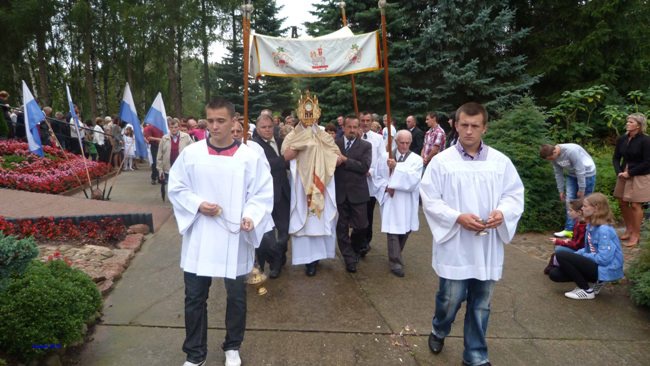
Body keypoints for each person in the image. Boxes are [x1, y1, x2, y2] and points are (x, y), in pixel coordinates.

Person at [168, 97, 274, 366]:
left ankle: (232, 346)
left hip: (234, 237)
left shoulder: (249, 158)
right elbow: (177, 187)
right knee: (194, 298)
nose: (214, 127)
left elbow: (261, 193)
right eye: (210, 121)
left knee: (236, 297)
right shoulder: (191, 154)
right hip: (200, 237)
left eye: (220, 121)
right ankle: (195, 354)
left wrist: (250, 216)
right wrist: (197, 204)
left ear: (234, 122)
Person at [420, 102, 524, 366]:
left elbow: (514, 194)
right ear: (455, 125)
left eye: (475, 126)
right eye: (463, 125)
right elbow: (430, 199)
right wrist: (457, 217)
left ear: (484, 128)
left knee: (481, 304)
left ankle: (475, 355)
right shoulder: (442, 162)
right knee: (450, 299)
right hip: (455, 244)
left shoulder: (500, 162)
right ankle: (439, 328)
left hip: (487, 246)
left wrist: (502, 212)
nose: (468, 131)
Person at [281, 91, 340, 276]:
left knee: (319, 220)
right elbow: (285, 156)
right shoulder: (292, 135)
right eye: (305, 114)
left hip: (321, 182)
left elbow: (337, 156)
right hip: (300, 184)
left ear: (316, 113)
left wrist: (326, 157)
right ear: (300, 113)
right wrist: (300, 145)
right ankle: (306, 260)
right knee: (305, 221)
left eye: (311, 114)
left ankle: (318, 257)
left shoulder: (322, 134)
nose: (308, 118)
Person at [548, 193, 624, 300]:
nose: (582, 208)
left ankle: (587, 290)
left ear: (596, 208)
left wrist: (582, 257)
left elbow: (604, 259)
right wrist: (576, 256)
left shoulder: (604, 230)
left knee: (561, 254)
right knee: (555, 274)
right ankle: (597, 282)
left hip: (605, 268)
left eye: (585, 206)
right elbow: (588, 249)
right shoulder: (591, 225)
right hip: (596, 265)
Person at [375, 130, 423, 277]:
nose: (404, 145)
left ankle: (396, 253)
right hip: (391, 200)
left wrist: (397, 167)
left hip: (407, 201)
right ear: (396, 141)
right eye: (401, 142)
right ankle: (395, 262)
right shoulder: (384, 157)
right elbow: (377, 177)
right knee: (393, 230)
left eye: (407, 143)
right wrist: (386, 186)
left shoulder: (416, 160)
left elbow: (414, 180)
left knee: (405, 230)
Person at [251, 114, 290, 279]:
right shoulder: (254, 145)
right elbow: (266, 166)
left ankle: (279, 259)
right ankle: (270, 262)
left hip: (283, 193)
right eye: (263, 127)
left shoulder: (280, 141)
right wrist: (285, 158)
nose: (267, 130)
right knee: (266, 234)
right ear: (257, 129)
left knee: (284, 231)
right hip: (266, 195)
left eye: (269, 127)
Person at [334, 115, 372, 273]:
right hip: (340, 193)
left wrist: (345, 160)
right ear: (343, 127)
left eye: (355, 127)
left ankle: (355, 248)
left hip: (358, 193)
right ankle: (349, 258)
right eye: (349, 127)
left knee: (362, 225)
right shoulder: (334, 144)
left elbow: (364, 167)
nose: (352, 130)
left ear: (359, 129)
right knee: (341, 228)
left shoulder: (365, 146)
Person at [540, 143, 596, 238]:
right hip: (572, 174)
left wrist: (581, 188)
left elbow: (580, 169)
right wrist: (561, 190)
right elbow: (558, 173)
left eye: (551, 158)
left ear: (554, 151)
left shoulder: (570, 151)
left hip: (587, 174)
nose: (551, 161)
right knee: (569, 201)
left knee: (585, 202)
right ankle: (569, 230)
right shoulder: (553, 157)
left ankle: (587, 229)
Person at [612, 113, 650, 247]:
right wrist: (619, 172)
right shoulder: (622, 139)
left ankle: (636, 234)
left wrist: (631, 173)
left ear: (639, 125)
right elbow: (616, 157)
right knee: (622, 202)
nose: (627, 123)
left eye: (631, 122)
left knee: (635, 205)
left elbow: (647, 162)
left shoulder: (646, 140)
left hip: (640, 174)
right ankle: (629, 229)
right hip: (624, 174)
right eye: (627, 121)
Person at [356, 111, 386, 258]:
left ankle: (366, 241)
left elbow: (382, 158)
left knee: (368, 213)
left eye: (368, 120)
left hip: (370, 181)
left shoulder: (379, 139)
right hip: (356, 181)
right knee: (357, 213)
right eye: (363, 120)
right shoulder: (355, 136)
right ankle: (357, 239)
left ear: (372, 121)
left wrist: (372, 171)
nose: (365, 123)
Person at [544, 198, 586, 275]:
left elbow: (578, 245)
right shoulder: (577, 222)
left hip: (581, 253)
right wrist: (568, 241)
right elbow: (575, 239)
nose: (568, 212)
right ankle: (556, 266)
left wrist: (561, 241)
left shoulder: (583, 226)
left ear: (579, 212)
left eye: (571, 210)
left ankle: (563, 267)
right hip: (577, 248)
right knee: (558, 250)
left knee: (559, 250)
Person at [157, 119, 193, 193]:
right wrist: (160, 170)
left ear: (179, 127)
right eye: (172, 127)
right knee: (171, 187)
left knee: (182, 186)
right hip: (168, 167)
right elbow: (159, 156)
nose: (174, 129)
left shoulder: (186, 137)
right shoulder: (164, 138)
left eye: (176, 127)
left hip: (182, 167)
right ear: (169, 128)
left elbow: (192, 151)